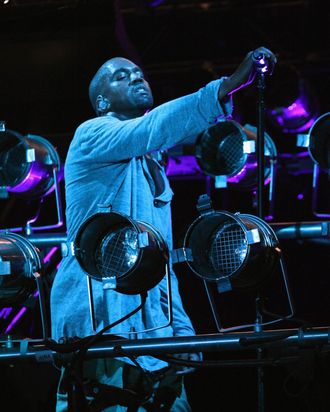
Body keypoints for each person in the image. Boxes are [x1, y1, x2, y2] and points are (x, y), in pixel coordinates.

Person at [50, 46, 277, 411]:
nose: (136, 77)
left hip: (155, 335)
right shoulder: (92, 133)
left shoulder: (150, 161)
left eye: (138, 71)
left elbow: (162, 263)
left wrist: (181, 333)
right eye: (120, 76)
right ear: (103, 102)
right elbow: (155, 127)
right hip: (102, 324)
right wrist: (228, 86)